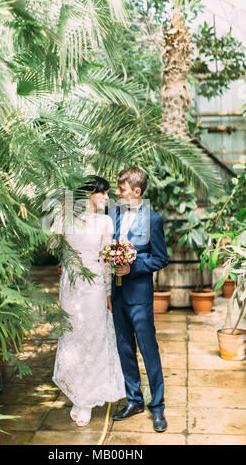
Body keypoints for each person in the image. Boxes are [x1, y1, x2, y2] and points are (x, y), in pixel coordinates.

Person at [51, 176, 126, 427]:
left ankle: (86, 399)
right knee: (73, 338)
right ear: (88, 194)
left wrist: (107, 293)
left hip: (93, 285)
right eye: (102, 193)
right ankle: (77, 394)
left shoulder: (105, 222)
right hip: (70, 285)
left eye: (107, 194)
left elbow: (105, 261)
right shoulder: (66, 218)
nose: (106, 198)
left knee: (93, 339)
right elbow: (55, 243)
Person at [108, 166, 168, 432]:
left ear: (136, 191)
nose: (117, 193)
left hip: (139, 297)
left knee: (148, 350)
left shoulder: (153, 220)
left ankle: (158, 406)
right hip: (118, 294)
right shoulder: (115, 214)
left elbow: (160, 258)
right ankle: (134, 400)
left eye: (121, 189)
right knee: (124, 348)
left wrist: (134, 266)